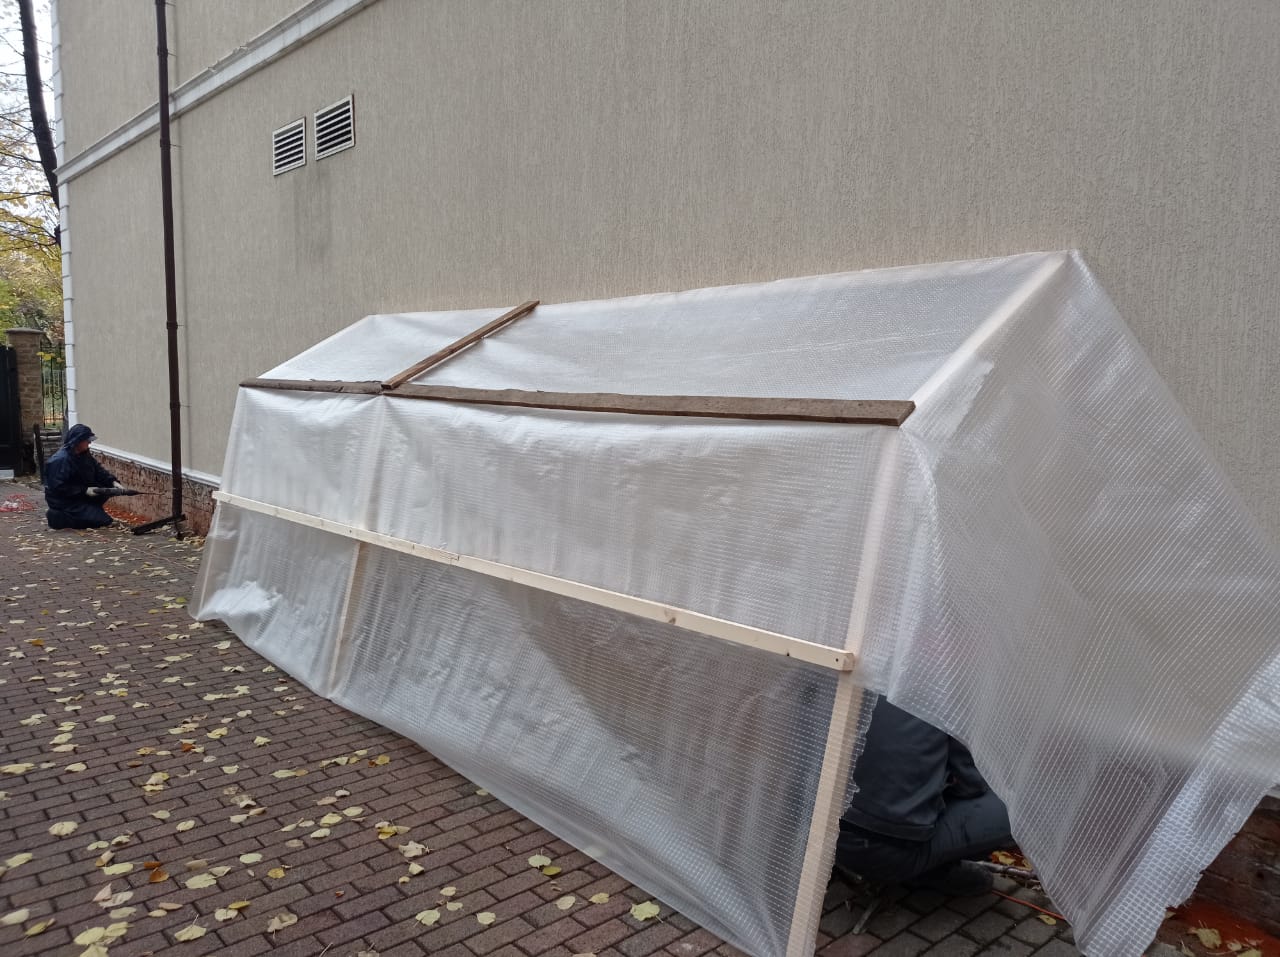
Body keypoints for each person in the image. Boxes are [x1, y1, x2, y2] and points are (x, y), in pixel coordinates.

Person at [834, 695, 1015, 896]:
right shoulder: (940, 689)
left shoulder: (855, 677)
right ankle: (929, 872)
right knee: (1019, 809)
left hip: (824, 835)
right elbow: (971, 785)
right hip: (888, 849)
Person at [44, 424, 120, 530]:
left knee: (105, 491)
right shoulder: (61, 460)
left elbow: (98, 470)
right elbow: (58, 487)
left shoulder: (83, 454)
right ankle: (59, 517)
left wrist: (113, 482)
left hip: (80, 497)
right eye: (87, 440)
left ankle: (91, 510)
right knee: (104, 521)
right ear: (78, 441)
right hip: (65, 502)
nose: (89, 443)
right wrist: (84, 490)